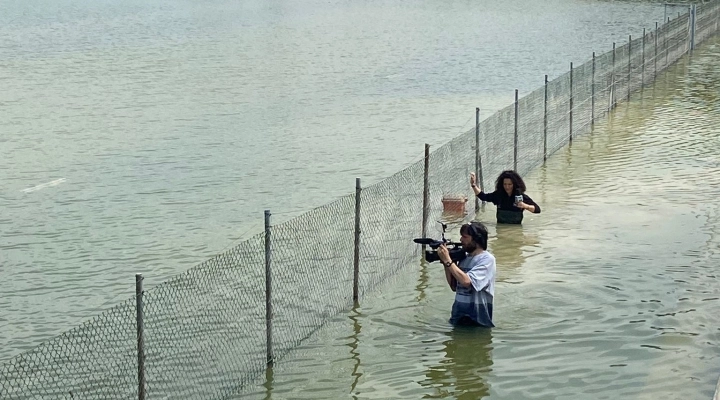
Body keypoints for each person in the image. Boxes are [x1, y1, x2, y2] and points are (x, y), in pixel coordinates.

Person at [437, 221, 496, 328]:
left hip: (477, 321)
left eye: (465, 237)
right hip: (458, 316)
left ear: (476, 239)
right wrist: (447, 263)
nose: (461, 240)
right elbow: (454, 286)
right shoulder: (464, 258)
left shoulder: (487, 259)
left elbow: (466, 282)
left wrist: (448, 261)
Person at [470, 170, 541, 224]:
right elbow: (483, 197)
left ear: (515, 184)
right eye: (505, 184)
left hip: (516, 231)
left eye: (510, 184)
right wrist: (473, 185)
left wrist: (525, 206)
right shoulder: (498, 195)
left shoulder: (521, 197)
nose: (507, 187)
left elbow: (537, 210)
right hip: (501, 229)